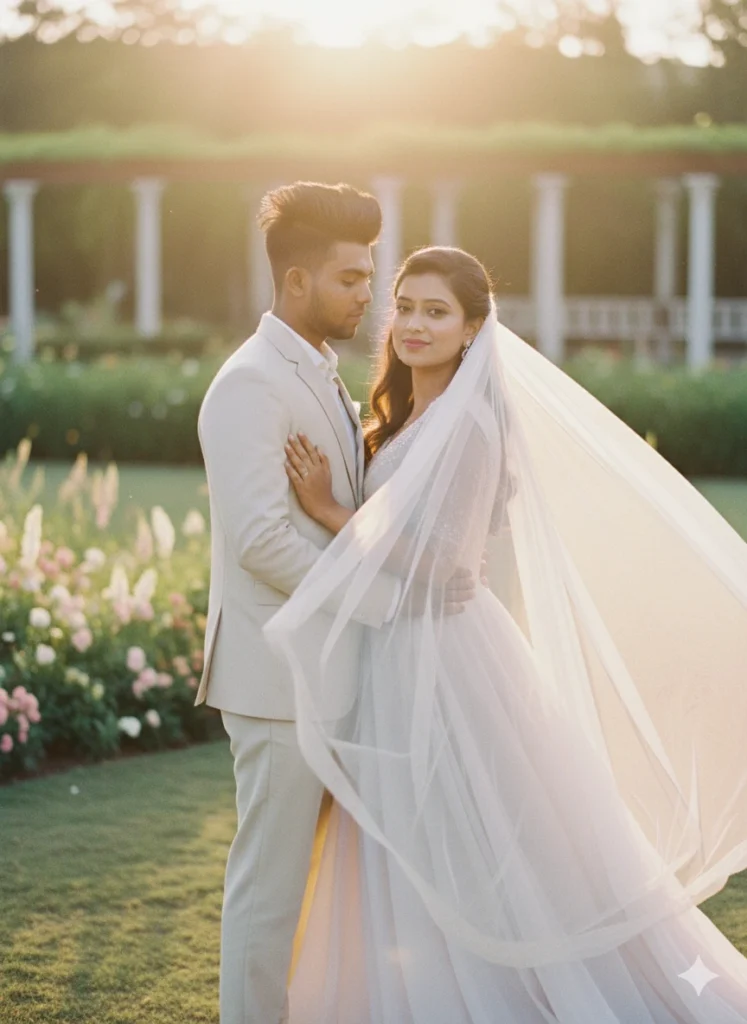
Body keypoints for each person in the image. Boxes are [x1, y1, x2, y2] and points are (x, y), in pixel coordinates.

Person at [265, 245, 747, 1022]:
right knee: (404, 831)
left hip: (449, 661)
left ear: (471, 329)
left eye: (437, 312)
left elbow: (445, 566)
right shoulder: (398, 419)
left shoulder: (474, 427)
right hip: (394, 651)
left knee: (474, 831)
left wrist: (328, 510)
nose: (415, 325)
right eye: (407, 307)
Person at [194, 185, 476, 1024]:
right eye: (352, 280)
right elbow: (258, 543)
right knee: (270, 891)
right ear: (295, 283)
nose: (369, 298)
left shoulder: (315, 370)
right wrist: (388, 605)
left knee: (326, 890)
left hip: (334, 675)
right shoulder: (249, 384)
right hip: (278, 683)